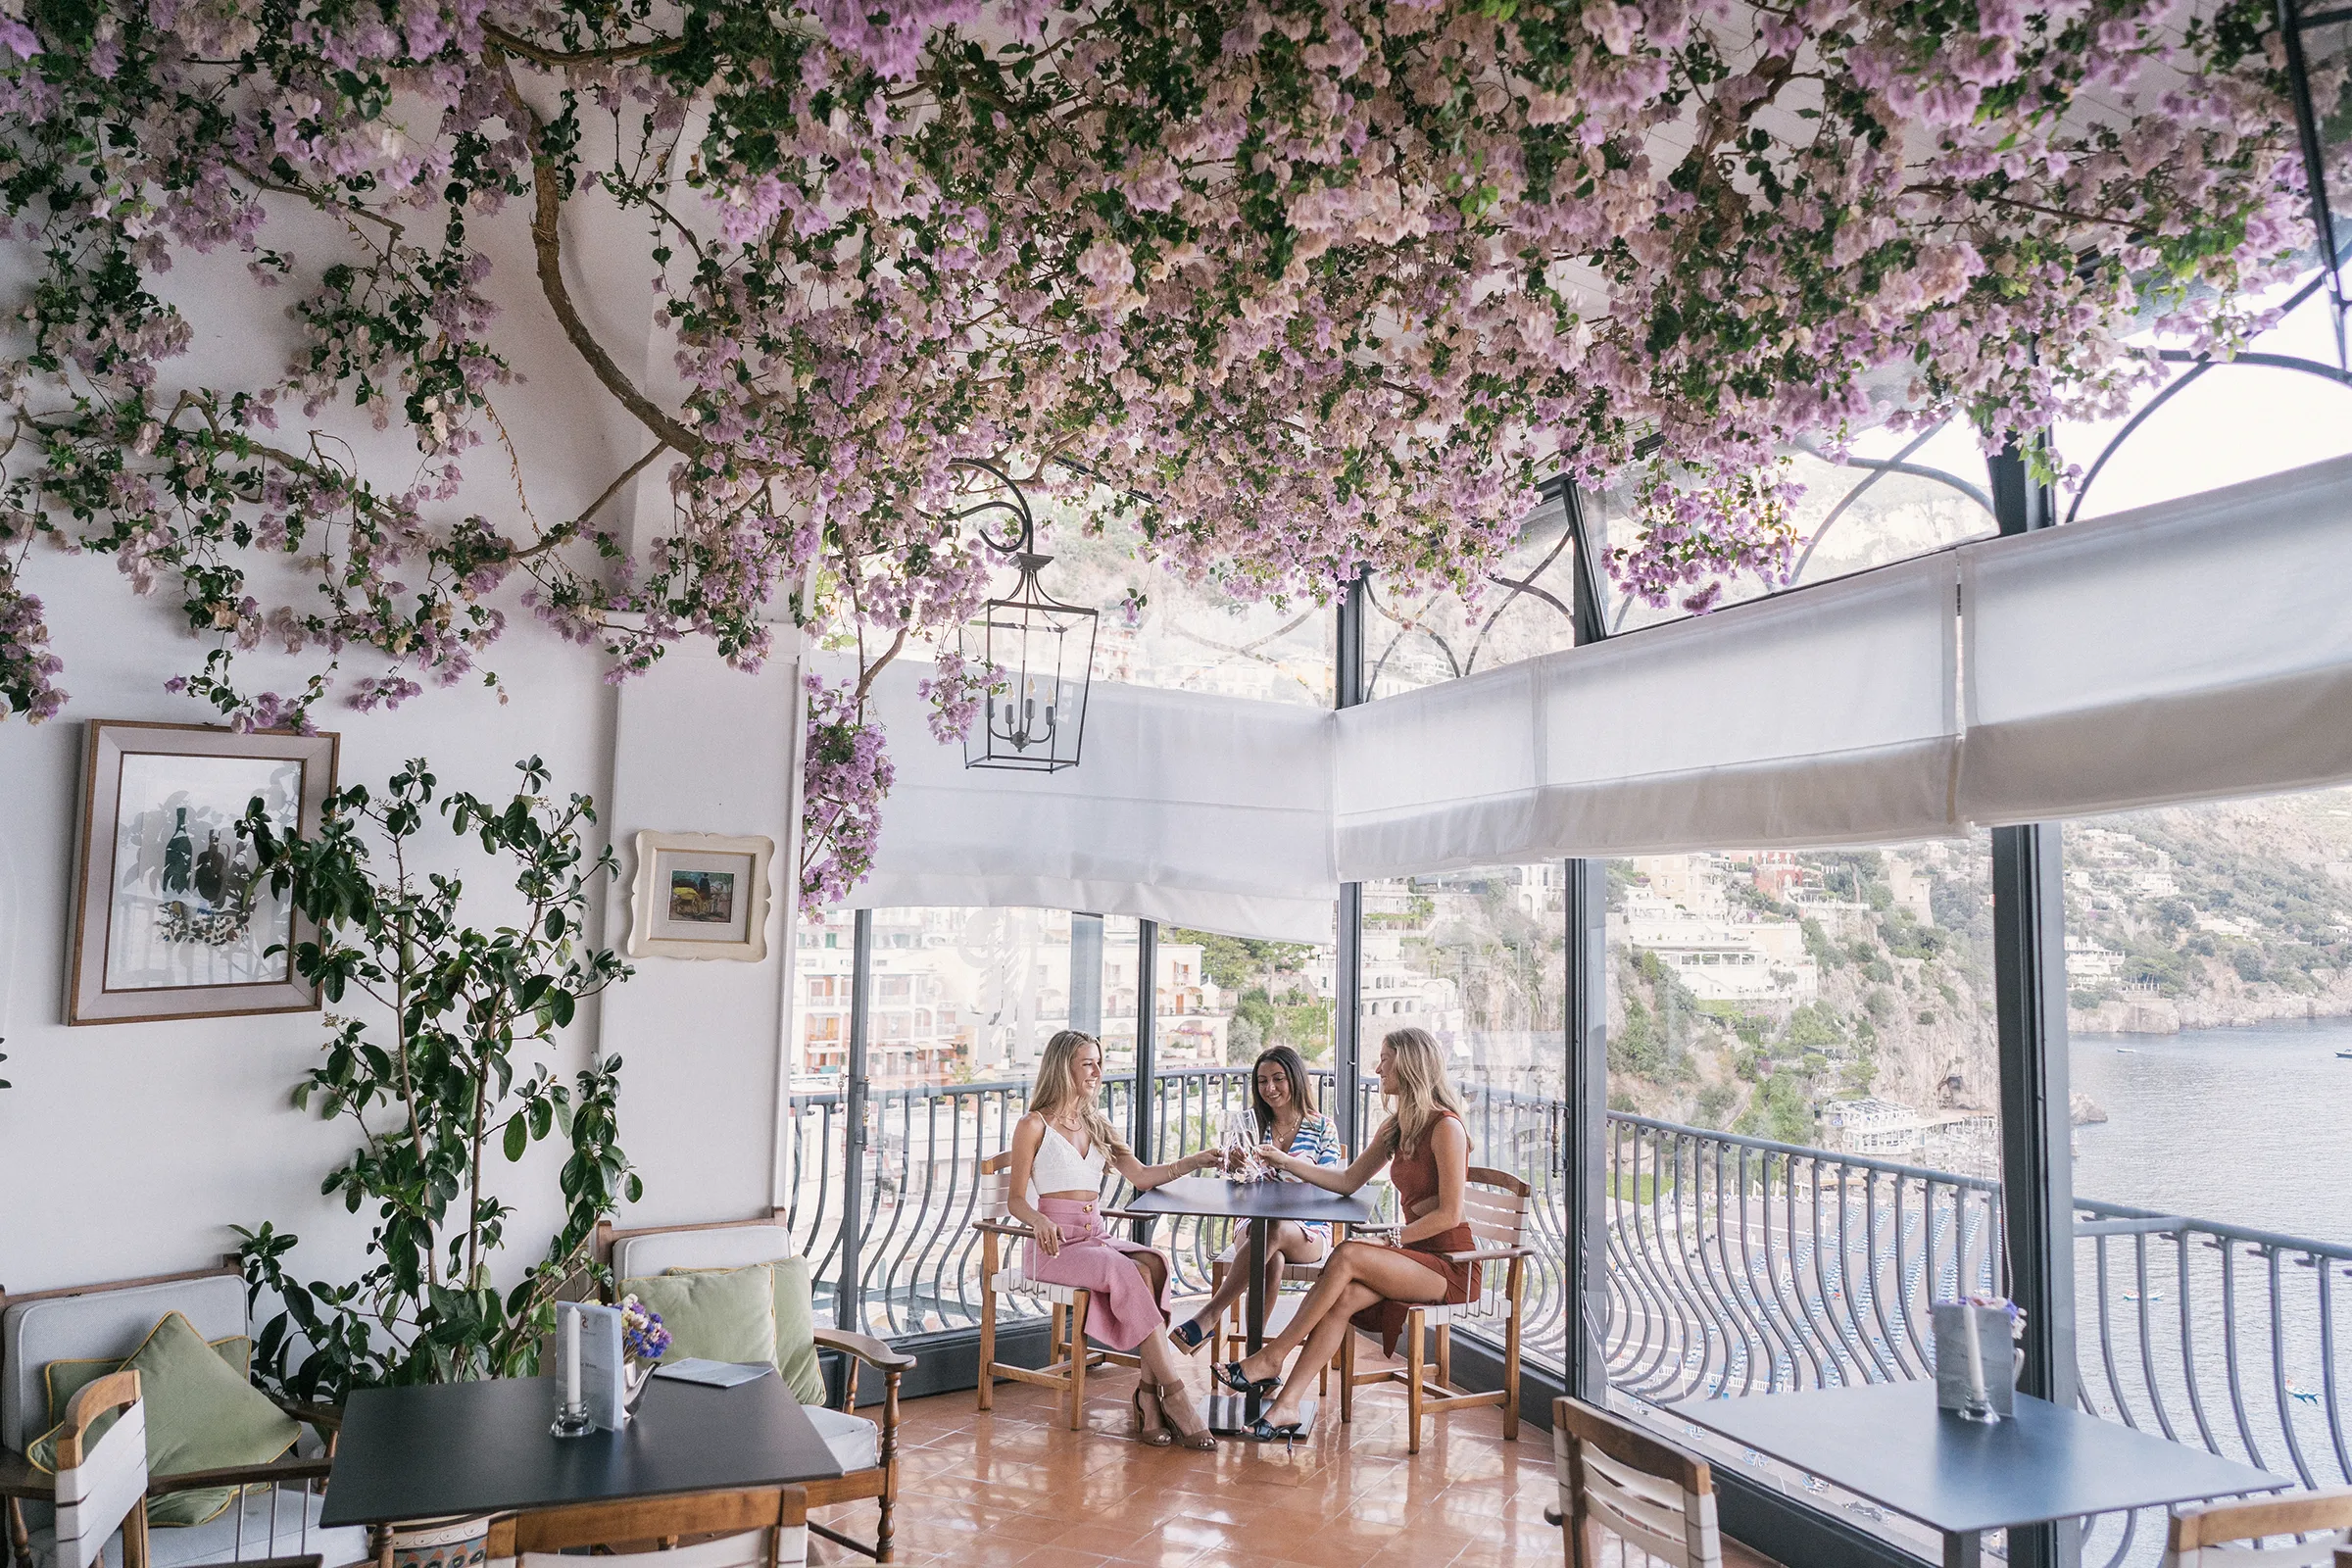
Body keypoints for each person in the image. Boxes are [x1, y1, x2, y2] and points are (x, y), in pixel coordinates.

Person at [1212, 1026, 1476, 1441]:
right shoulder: (1397, 1127)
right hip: (1411, 1258)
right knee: (1344, 1300)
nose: (1378, 1068)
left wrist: (1392, 1239)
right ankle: (1285, 1406)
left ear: (1408, 1065)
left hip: (1448, 1264)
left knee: (1348, 1253)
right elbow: (1347, 1181)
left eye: (1385, 1060)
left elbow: (1450, 1214)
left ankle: (1273, 1356)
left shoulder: (1446, 1127)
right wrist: (1285, 1160)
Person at [1006, 1028, 1225, 1448]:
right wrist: (1037, 1219)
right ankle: (1175, 1395)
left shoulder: (1096, 1123)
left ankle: (1147, 1397)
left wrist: (1196, 1160)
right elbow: (1016, 1199)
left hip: (1095, 1239)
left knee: (1153, 1263)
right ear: (1062, 1067)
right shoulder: (1032, 1125)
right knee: (1121, 1267)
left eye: (1099, 1062)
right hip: (1053, 1250)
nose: (1097, 1071)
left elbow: (1142, 1175)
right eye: (1088, 1063)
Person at [1168, 1045, 1345, 1353]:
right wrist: (1234, 1168)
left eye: (1278, 1079)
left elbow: (1329, 1185)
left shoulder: (1322, 1128)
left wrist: (1286, 1162)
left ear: (1296, 1079)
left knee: (1273, 1228)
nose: (1270, 1088)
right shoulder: (1252, 1127)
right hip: (1252, 1225)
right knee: (1271, 1257)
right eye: (1262, 1081)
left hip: (1309, 1231)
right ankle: (1255, 1358)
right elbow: (1235, 1187)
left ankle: (1210, 1314)